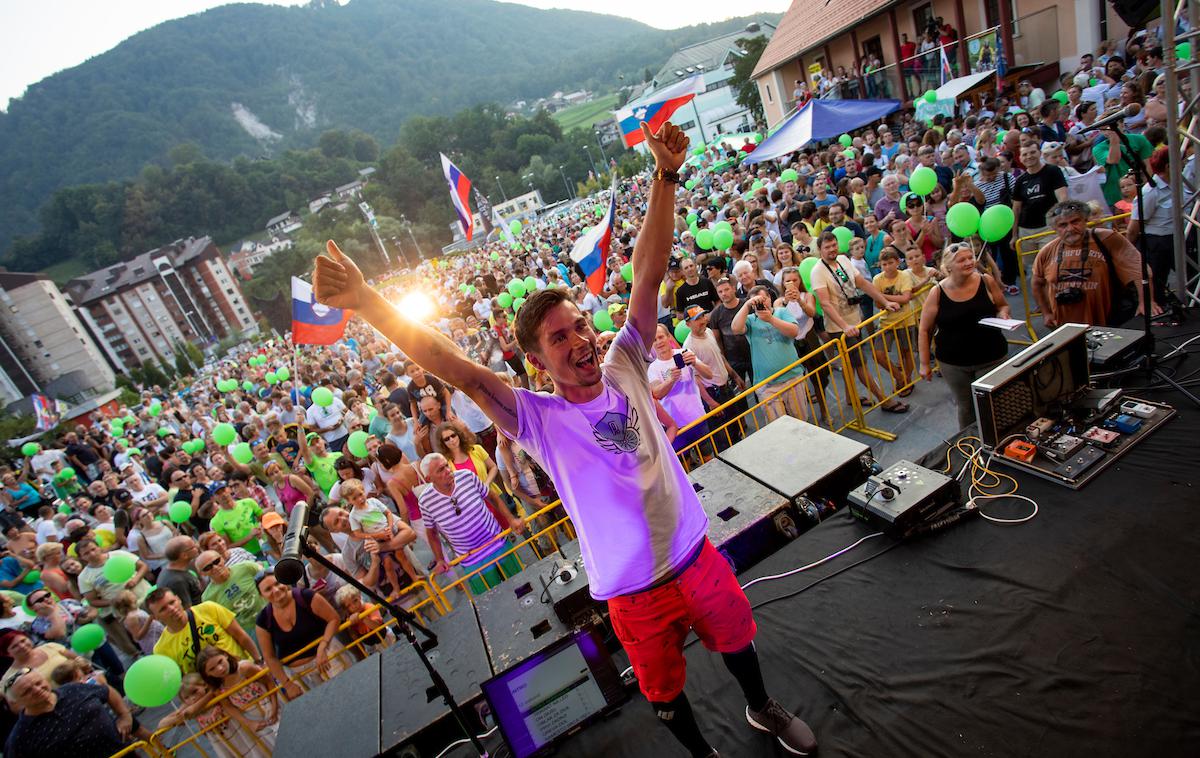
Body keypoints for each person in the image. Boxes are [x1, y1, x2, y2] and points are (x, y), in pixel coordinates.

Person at [314, 121, 818, 756]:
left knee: (739, 641)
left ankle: (759, 707)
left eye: (580, 325)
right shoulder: (536, 419)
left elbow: (648, 274)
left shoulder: (628, 362)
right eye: (560, 337)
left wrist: (665, 176)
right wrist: (368, 301)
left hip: (694, 551)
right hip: (631, 591)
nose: (580, 339)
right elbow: (455, 368)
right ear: (536, 360)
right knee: (662, 693)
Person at [809, 231, 908, 414]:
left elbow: (863, 284)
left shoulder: (843, 260)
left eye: (834, 245)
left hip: (855, 319)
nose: (832, 249)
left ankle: (850, 397)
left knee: (852, 364)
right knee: (860, 364)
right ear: (820, 249)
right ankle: (884, 400)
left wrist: (885, 302)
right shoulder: (818, 271)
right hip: (840, 328)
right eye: (827, 247)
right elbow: (825, 303)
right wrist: (844, 327)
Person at [919, 243, 1013, 429]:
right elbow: (924, 329)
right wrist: (924, 364)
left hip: (992, 357)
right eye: (962, 260)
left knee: (997, 403)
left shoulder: (986, 280)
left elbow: (1002, 305)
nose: (969, 262)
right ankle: (969, 446)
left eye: (971, 257)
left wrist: (1003, 313)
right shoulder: (936, 292)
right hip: (954, 364)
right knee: (967, 407)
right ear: (949, 267)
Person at [1031, 200, 1159, 327]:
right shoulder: (1047, 251)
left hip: (1108, 321)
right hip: (1065, 325)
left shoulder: (1107, 239)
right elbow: (1037, 283)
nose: (1070, 228)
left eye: (1075, 221)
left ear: (1085, 220)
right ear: (1055, 229)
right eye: (1063, 225)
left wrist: (1146, 302)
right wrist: (1046, 313)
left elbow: (1140, 269)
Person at [418, 454, 526, 595]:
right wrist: (439, 559)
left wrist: (511, 519)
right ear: (428, 479)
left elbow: (492, 497)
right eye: (440, 470)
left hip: (499, 544)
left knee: (523, 588)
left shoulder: (466, 476)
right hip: (472, 560)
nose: (447, 470)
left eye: (446, 465)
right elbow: (431, 533)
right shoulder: (425, 501)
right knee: (494, 603)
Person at [254, 569, 348, 700]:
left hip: (328, 656)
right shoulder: (263, 620)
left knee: (347, 694)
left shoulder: (306, 596)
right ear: (261, 596)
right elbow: (269, 657)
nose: (275, 590)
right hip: (299, 674)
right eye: (268, 589)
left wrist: (323, 645)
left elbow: (334, 618)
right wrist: (287, 684)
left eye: (277, 584)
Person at [4, 670, 139, 758]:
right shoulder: (20, 738)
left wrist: (124, 715)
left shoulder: (73, 689)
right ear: (15, 702)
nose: (37, 690)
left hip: (128, 753)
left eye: (38, 683)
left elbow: (106, 691)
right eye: (27, 691)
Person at [731, 285, 808, 422]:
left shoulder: (782, 312)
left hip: (792, 377)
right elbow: (735, 329)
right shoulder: (750, 320)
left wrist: (771, 319)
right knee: (778, 426)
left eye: (764, 298)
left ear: (770, 298)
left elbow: (794, 332)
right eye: (757, 300)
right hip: (767, 384)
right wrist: (747, 305)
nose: (762, 302)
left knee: (801, 419)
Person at [146, 587, 258, 674]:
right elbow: (182, 680)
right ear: (156, 617)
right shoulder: (161, 649)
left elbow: (240, 636)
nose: (171, 609)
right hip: (218, 693)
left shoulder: (208, 609)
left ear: (178, 599)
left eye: (172, 602)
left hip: (246, 670)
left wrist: (259, 661)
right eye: (163, 609)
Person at [196, 646, 279, 757]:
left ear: (225, 655)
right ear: (207, 674)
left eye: (220, 662)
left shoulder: (244, 668)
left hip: (273, 707)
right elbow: (228, 707)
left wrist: (275, 707)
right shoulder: (218, 688)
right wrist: (248, 723)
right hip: (253, 719)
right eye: (212, 669)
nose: (220, 668)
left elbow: (268, 681)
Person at [75, 539, 150, 657]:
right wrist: (113, 602)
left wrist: (135, 580)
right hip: (123, 611)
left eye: (93, 549)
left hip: (143, 598)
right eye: (86, 553)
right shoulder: (84, 577)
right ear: (82, 557)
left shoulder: (118, 555)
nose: (92, 554)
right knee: (141, 635)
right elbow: (92, 600)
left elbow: (143, 566)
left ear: (99, 547)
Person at [1125, 146, 1175, 302]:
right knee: (1157, 281)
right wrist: (1128, 252)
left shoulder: (1179, 184)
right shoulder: (1150, 192)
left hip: (1178, 238)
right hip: (1157, 243)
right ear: (1167, 166)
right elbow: (1133, 228)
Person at [1012, 142, 1070, 249]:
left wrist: (1061, 223)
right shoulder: (1020, 180)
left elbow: (1063, 199)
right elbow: (1016, 209)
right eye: (1025, 154)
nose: (1029, 156)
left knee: (1050, 261)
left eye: (1033, 152)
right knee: (1029, 265)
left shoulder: (1053, 171)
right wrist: (1014, 235)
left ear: (1040, 153)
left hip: (1048, 228)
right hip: (1025, 230)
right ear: (1020, 158)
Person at [198, 549, 266, 637]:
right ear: (202, 573)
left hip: (270, 615)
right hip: (250, 632)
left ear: (222, 559)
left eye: (216, 561)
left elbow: (271, 580)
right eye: (207, 568)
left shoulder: (246, 567)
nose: (215, 567)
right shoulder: (207, 598)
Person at [157, 535, 204, 608]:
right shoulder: (177, 581)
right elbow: (187, 610)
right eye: (193, 547)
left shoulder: (171, 571)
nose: (197, 546)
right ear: (184, 555)